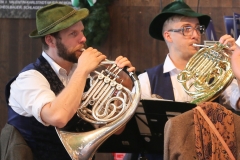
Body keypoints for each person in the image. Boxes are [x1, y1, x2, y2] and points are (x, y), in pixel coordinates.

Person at [4, 3, 135, 160]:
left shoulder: (86, 76)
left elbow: (113, 129)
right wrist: (82, 70)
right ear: (50, 40)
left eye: (82, 31)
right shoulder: (29, 79)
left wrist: (123, 86)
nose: (83, 39)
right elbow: (58, 117)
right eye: (73, 34)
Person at [137, 1, 240, 160]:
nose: (195, 34)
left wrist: (237, 67)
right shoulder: (146, 80)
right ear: (168, 35)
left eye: (198, 28)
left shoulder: (217, 74)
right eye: (186, 29)